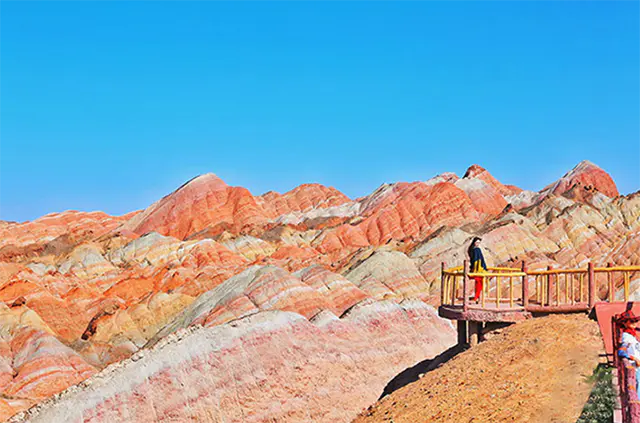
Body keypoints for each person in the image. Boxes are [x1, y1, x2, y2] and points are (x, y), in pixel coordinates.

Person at [618, 321, 640, 400]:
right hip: (634, 366)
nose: (635, 323)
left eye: (635, 321)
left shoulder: (632, 335)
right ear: (625, 323)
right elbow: (621, 352)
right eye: (631, 322)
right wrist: (634, 358)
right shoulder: (627, 336)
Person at [467, 237, 487, 302]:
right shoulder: (477, 250)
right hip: (479, 269)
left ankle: (477, 297)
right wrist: (481, 268)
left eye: (479, 243)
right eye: (477, 242)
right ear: (474, 242)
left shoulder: (471, 249)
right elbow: (478, 260)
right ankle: (476, 297)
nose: (478, 244)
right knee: (480, 283)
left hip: (476, 269)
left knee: (478, 283)